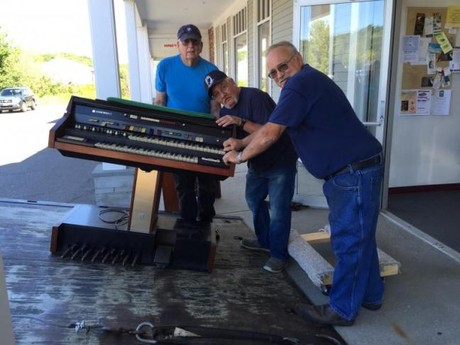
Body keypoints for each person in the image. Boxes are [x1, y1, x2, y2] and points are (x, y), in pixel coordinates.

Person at [222, 41, 384, 326]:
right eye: (272, 73)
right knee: (360, 237)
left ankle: (342, 310)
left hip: (352, 173)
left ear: (298, 59)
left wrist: (240, 155)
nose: (279, 75)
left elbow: (271, 134)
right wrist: (242, 140)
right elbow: (273, 125)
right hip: (355, 170)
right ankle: (370, 294)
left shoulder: (300, 84)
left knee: (348, 242)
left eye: (282, 66)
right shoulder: (306, 83)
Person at [204, 70, 298, 273]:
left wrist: (240, 122)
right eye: (217, 95)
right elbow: (233, 142)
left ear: (232, 82)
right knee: (254, 201)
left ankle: (279, 254)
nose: (223, 95)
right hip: (256, 164)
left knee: (280, 210)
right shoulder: (223, 113)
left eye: (224, 88)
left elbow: (272, 132)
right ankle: (264, 240)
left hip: (280, 162)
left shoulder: (256, 97)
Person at [155, 24, 221, 224]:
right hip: (177, 133)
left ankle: (206, 221)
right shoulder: (164, 67)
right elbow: (160, 101)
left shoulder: (211, 70)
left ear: (201, 46)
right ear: (178, 45)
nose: (190, 46)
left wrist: (217, 136)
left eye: (195, 42)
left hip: (205, 132)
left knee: (208, 184)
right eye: (186, 42)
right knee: (183, 184)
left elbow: (215, 108)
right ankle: (188, 223)